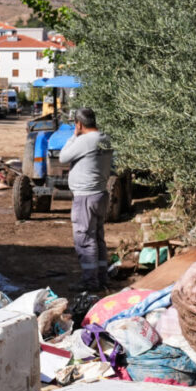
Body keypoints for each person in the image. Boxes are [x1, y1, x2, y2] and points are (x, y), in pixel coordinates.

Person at [59, 107, 111, 292]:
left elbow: (63, 157)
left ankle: (91, 283)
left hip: (85, 197)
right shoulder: (105, 138)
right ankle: (102, 278)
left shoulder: (85, 141)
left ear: (79, 124)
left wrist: (74, 136)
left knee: (84, 240)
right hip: (100, 194)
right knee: (98, 238)